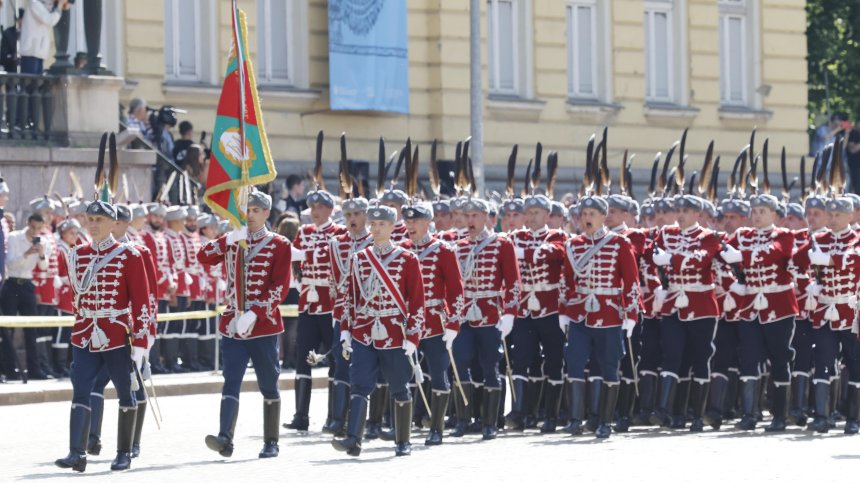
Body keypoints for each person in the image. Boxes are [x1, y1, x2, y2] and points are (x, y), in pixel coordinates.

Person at [54, 200, 153, 473]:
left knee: (125, 391)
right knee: (81, 390)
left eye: (100, 220)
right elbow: (77, 298)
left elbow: (141, 301)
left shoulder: (128, 255)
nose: (94, 225)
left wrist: (142, 342)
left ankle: (124, 452)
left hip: (117, 332)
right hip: (85, 332)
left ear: (113, 223)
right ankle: (77, 453)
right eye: (90, 219)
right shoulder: (78, 254)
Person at [199, 190, 292, 458]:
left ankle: (271, 441)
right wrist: (227, 238)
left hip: (263, 325)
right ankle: (225, 438)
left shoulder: (279, 244)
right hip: (233, 323)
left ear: (266, 213)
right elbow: (203, 257)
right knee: (231, 381)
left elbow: (280, 286)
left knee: (268, 383)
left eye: (254, 210)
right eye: (245, 210)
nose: (249, 215)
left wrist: (257, 312)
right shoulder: (232, 240)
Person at [331, 205, 425, 457]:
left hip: (394, 332)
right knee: (359, 384)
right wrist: (345, 330)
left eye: (382, 224)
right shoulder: (359, 258)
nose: (375, 228)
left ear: (393, 227)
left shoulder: (407, 259)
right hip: (363, 330)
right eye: (373, 224)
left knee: (398, 386)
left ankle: (403, 440)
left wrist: (413, 337)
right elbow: (350, 298)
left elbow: (416, 301)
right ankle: (353, 439)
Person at [560, 196, 639, 439]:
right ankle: (575, 419)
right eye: (584, 214)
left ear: (604, 216)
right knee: (574, 363)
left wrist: (631, 314)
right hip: (581, 314)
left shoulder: (619, 244)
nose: (587, 218)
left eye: (592, 214)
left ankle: (605, 421)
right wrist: (564, 312)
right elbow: (567, 281)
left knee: (609, 367)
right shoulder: (573, 245)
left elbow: (631, 280)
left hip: (610, 313)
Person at [722, 194, 799, 432]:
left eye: (762, 212)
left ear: (774, 215)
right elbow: (720, 252)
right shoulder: (743, 235)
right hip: (750, 306)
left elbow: (775, 253)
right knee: (749, 358)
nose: (757, 216)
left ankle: (780, 415)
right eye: (754, 212)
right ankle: (749, 413)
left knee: (779, 359)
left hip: (779, 306)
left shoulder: (784, 235)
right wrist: (734, 281)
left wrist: (742, 257)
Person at [649, 195, 721, 432]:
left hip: (701, 305)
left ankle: (698, 414)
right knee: (672, 355)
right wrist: (661, 282)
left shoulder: (707, 237)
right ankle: (666, 411)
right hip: (674, 304)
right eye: (678, 210)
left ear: (698, 215)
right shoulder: (666, 234)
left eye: (686, 211)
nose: (680, 215)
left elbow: (699, 260)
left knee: (700, 359)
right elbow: (653, 256)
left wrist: (670, 258)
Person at [450, 198, 520, 440]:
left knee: (490, 366)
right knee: (460, 364)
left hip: (490, 314)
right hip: (464, 315)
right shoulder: (458, 246)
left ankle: (490, 422)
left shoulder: (501, 244)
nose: (470, 221)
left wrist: (510, 313)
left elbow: (512, 282)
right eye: (466, 216)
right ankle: (463, 419)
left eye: (475, 216)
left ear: (487, 218)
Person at [400, 201, 464, 445]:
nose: (410, 225)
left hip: (435, 321)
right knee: (403, 373)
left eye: (415, 221)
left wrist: (453, 324)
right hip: (407, 322)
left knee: (439, 373)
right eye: (407, 221)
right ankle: (403, 427)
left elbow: (456, 290)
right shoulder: (402, 250)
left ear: (428, 223)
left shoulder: (443, 250)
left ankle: (436, 428)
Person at [284, 189, 345, 432]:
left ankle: (334, 415)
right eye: (313, 208)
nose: (316, 212)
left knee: (334, 358)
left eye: (320, 208)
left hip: (329, 304)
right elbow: (295, 259)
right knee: (303, 357)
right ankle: (301, 415)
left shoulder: (338, 233)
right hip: (308, 303)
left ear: (330, 210)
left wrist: (306, 255)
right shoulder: (304, 232)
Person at [506, 194, 566, 433]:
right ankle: (521, 411)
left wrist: (523, 254)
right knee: (521, 359)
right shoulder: (515, 237)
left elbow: (555, 253)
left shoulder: (558, 235)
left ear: (547, 216)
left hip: (550, 307)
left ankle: (550, 415)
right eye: (528, 213)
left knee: (553, 361)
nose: (531, 217)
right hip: (523, 308)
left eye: (537, 213)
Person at [326, 197, 373, 436]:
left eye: (356, 214)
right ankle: (338, 417)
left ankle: (371, 419)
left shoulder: (375, 242)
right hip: (343, 311)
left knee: (366, 366)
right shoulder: (336, 245)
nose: (352, 219)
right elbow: (335, 280)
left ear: (366, 215)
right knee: (340, 362)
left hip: (368, 312)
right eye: (348, 215)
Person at [1, 213, 50, 380]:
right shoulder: (15, 237)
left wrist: (41, 253)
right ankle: (9, 370)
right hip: (12, 283)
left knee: (32, 328)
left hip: (28, 285)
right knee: (8, 329)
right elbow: (10, 263)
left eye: (39, 228)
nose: (35, 231)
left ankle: (34, 370)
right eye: (33, 227)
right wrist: (27, 253)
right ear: (28, 223)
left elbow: (44, 266)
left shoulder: (43, 241)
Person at [20, 0, 68, 74]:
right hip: (31, 52)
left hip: (39, 52)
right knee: (30, 82)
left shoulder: (43, 5)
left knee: (37, 83)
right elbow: (50, 20)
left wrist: (60, 4)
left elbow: (48, 6)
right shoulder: (34, 3)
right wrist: (59, 5)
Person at [0, 8, 23, 73]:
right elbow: (3, 58)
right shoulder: (8, 33)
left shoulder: (29, 34)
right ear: (18, 20)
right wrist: (14, 56)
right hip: (12, 71)